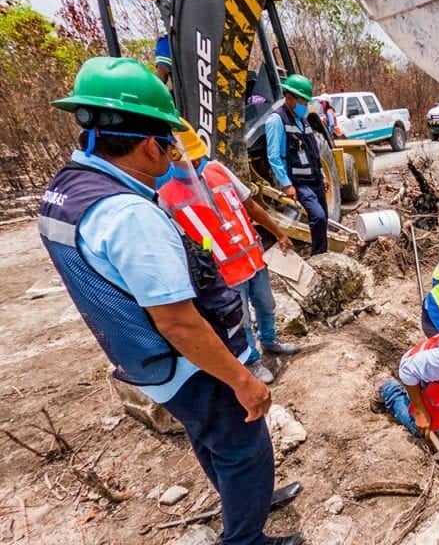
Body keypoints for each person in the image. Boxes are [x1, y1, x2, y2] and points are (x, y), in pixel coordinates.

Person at [39, 57, 302, 545]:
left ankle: (247, 500)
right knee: (245, 447)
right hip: (188, 363)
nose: (174, 156)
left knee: (212, 440)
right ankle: (246, 537)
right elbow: (179, 323)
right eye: (169, 145)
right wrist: (243, 379)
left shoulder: (66, 190)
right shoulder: (127, 215)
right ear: (147, 145)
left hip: (145, 360)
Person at [163, 120, 301, 384]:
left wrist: (280, 233)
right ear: (172, 156)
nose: (195, 164)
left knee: (266, 304)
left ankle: (270, 341)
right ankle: (250, 360)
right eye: (189, 160)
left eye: (197, 158)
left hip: (252, 258)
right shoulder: (167, 195)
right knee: (241, 320)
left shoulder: (217, 171)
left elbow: (251, 206)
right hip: (223, 271)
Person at [265, 74, 330, 255]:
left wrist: (323, 174)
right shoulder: (276, 120)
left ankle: (323, 253)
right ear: (289, 97)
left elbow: (313, 152)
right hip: (299, 181)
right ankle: (318, 256)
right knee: (317, 216)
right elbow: (274, 156)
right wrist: (286, 184)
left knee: (323, 218)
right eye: (302, 100)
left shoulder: (303, 120)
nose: (304, 105)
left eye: (306, 101)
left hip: (315, 178)